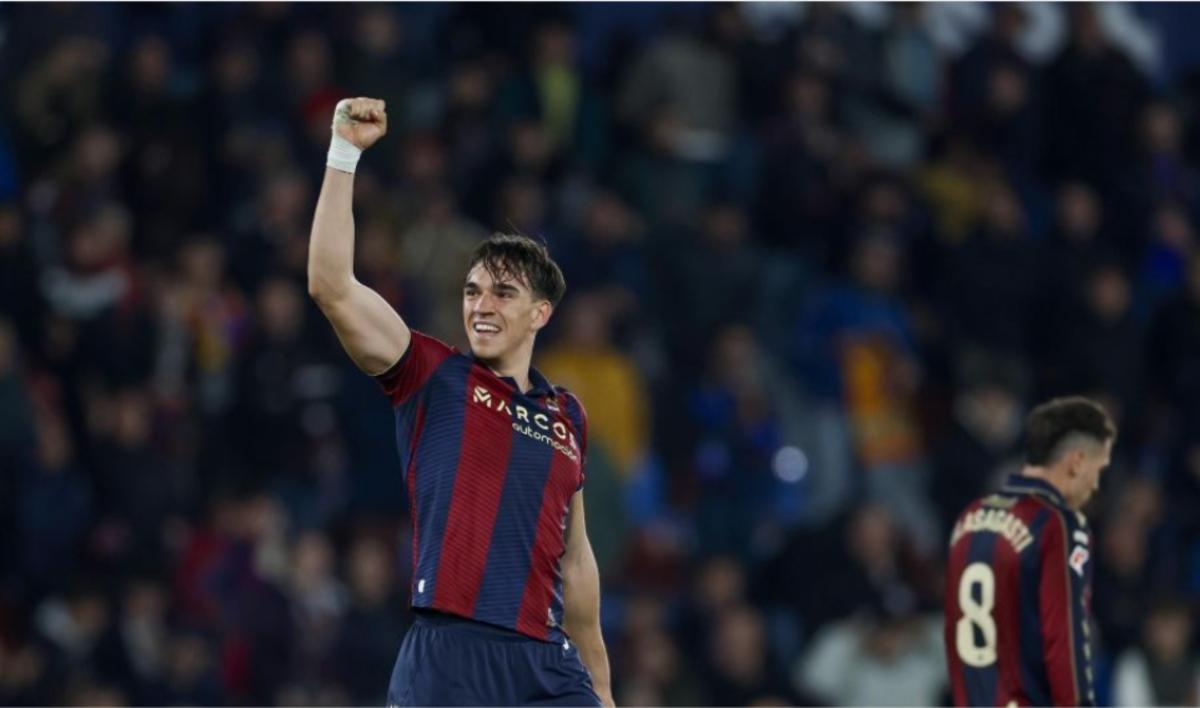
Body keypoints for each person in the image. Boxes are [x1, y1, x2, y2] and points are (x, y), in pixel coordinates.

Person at [307, 97, 613, 706]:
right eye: (472, 290)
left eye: (503, 292)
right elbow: (331, 285)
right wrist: (343, 154)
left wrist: (601, 690)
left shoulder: (567, 414)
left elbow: (575, 561)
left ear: (540, 314)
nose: (481, 305)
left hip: (546, 664)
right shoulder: (431, 374)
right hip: (450, 657)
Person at [943, 396, 1115, 706]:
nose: (1096, 485)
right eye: (1098, 469)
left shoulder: (970, 518)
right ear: (1076, 462)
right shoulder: (1058, 525)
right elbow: (1064, 638)